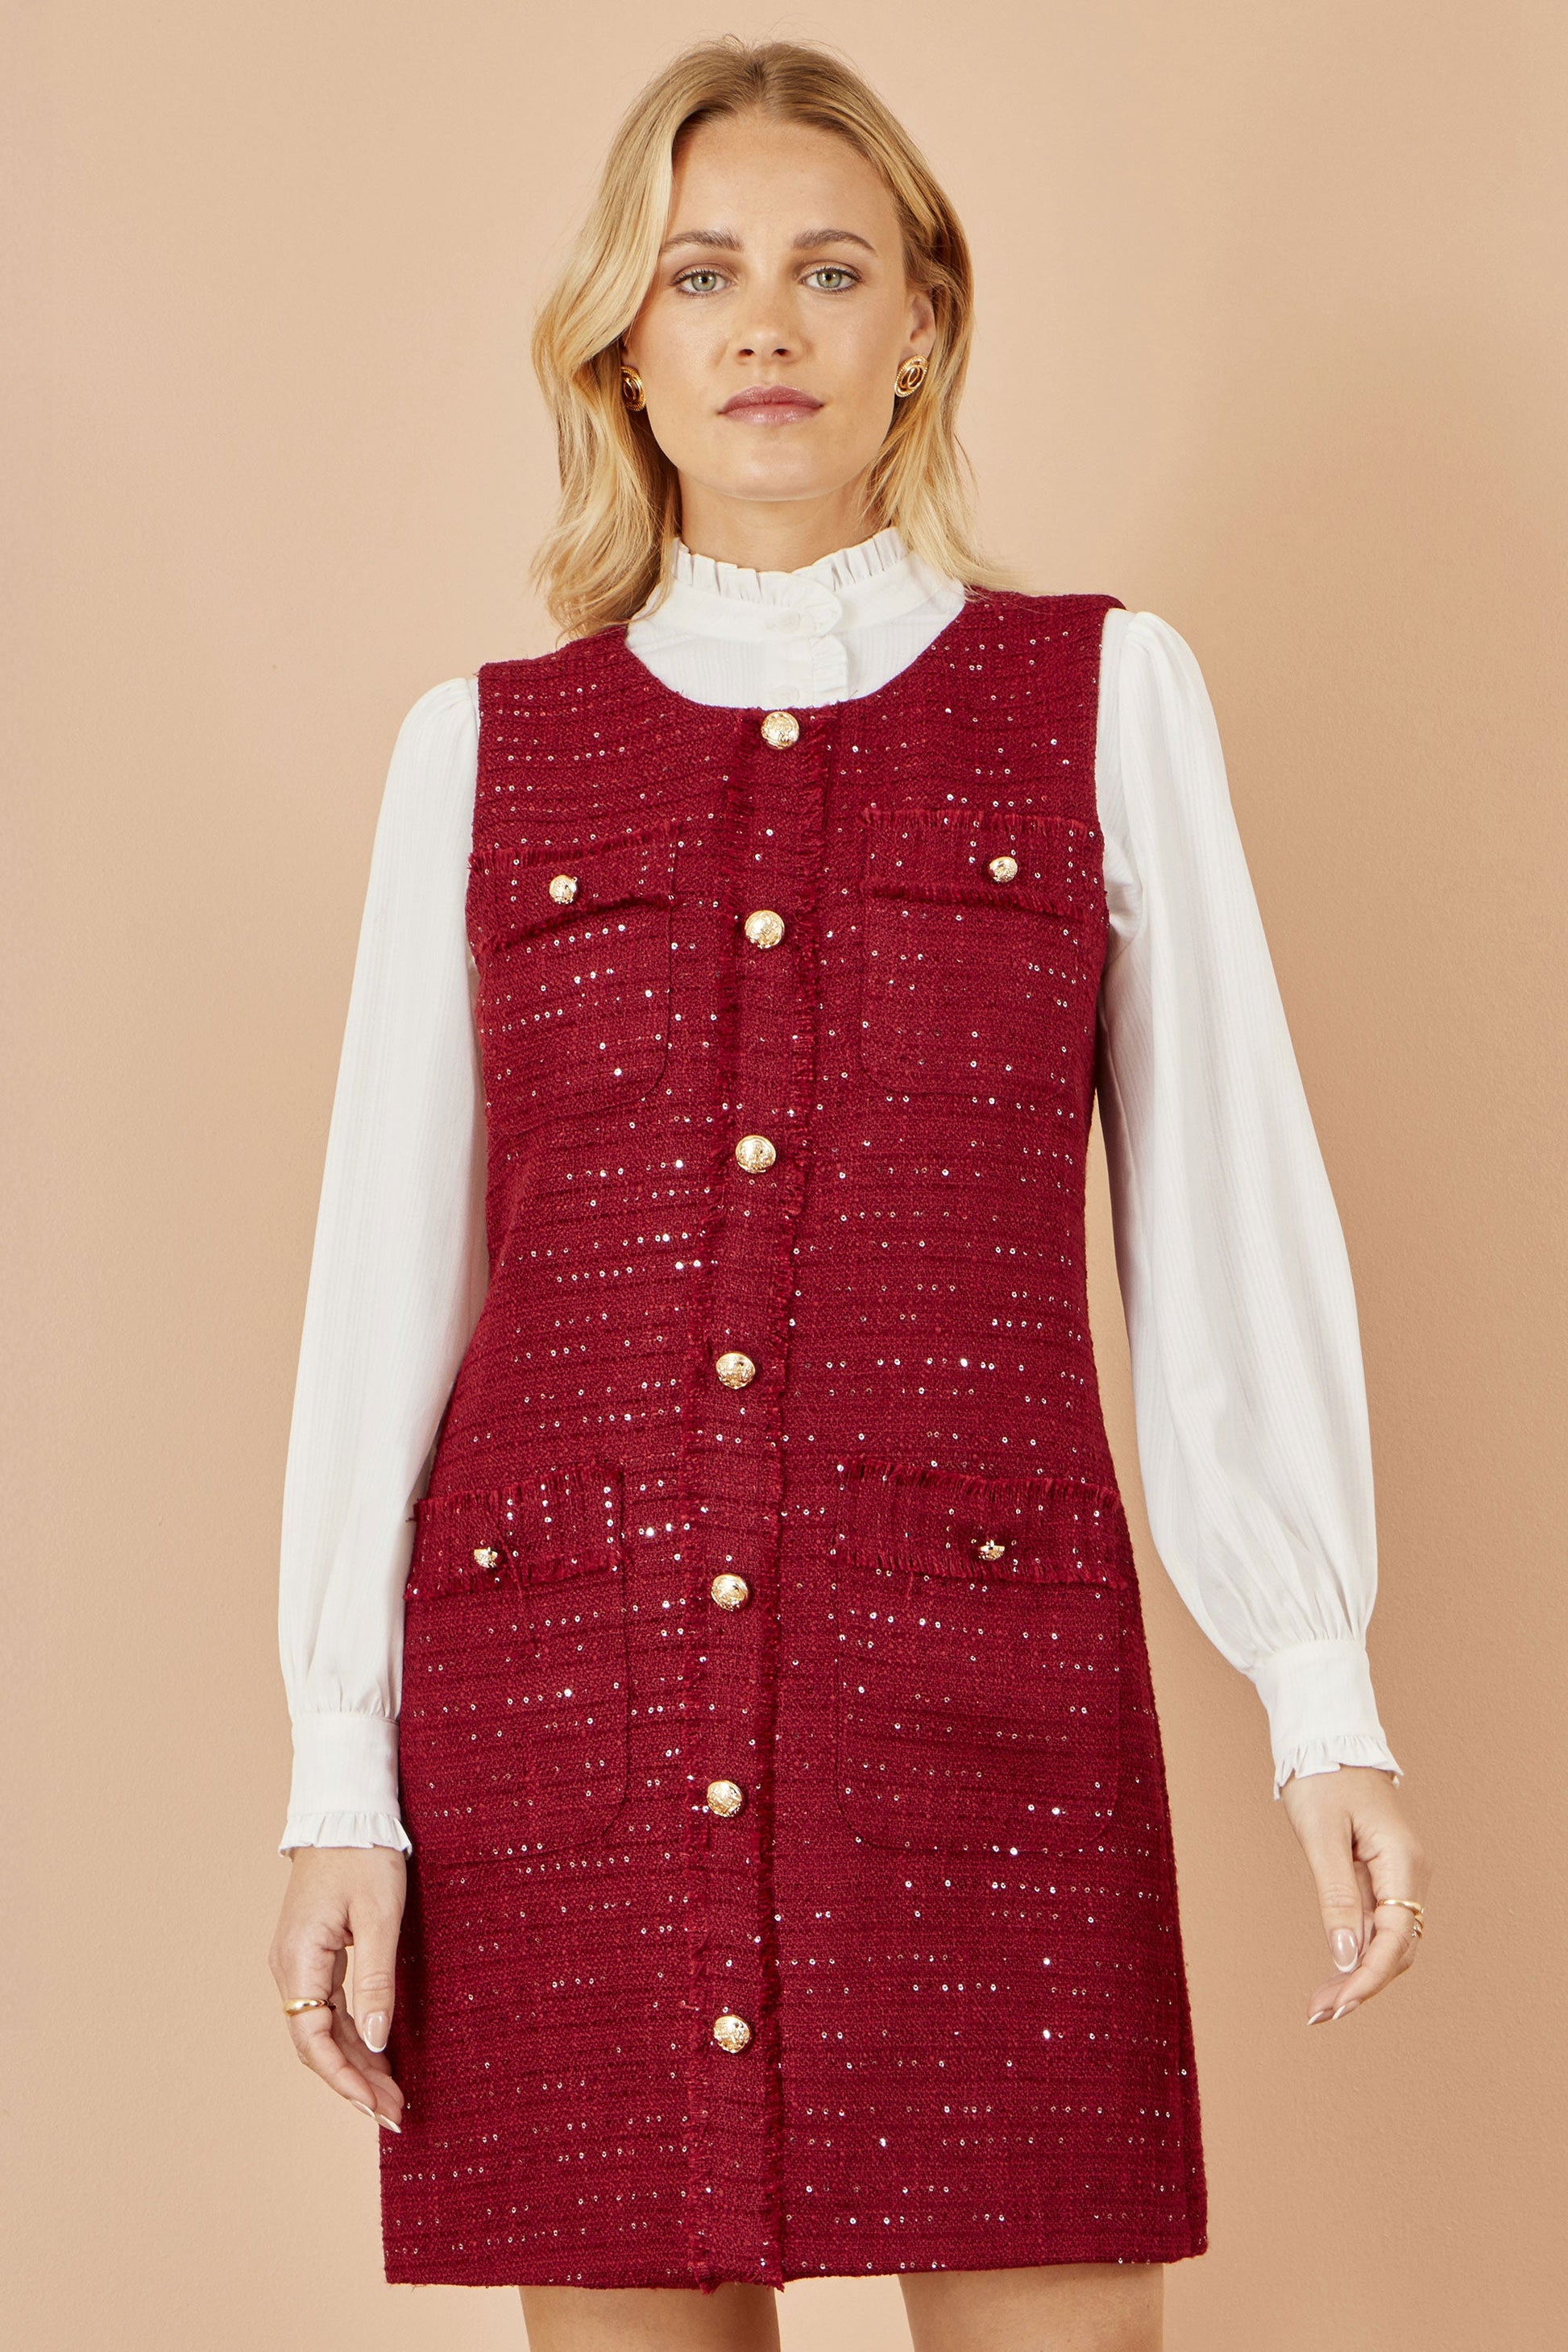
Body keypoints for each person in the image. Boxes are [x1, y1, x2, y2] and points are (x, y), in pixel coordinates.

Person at [268, 36, 1429, 2352]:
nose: (766, 323)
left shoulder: (1102, 701)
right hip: (562, 1695)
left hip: (975, 1676)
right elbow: (382, 1290)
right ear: (625, 337)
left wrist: (1321, 1687)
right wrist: (338, 1767)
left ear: (923, 327)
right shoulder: (476, 755)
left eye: (828, 268)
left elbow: (1217, 1203)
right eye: (702, 274)